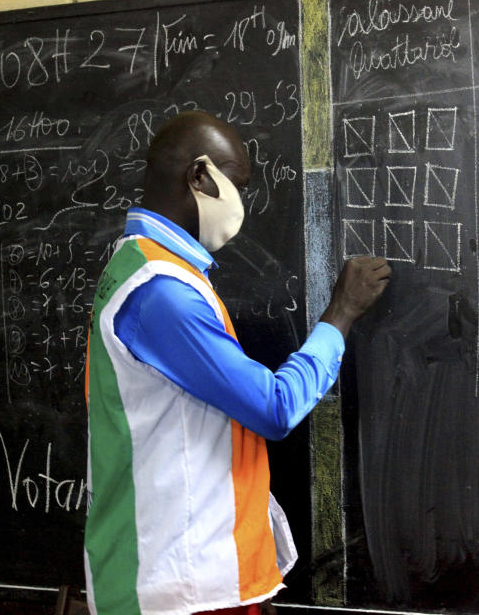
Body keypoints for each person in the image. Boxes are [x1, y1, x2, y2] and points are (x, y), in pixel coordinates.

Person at [84, 111, 390, 615]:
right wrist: (341, 313)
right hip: (181, 588)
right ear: (200, 177)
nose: (242, 203)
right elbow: (272, 408)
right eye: (237, 183)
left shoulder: (141, 267)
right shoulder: (162, 294)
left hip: (191, 576)